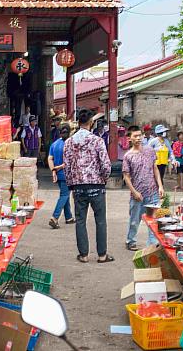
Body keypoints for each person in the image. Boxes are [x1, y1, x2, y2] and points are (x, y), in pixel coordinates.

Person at [63, 109, 113, 264]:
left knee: (80, 220)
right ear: (91, 122)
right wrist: (103, 179)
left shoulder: (69, 142)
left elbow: (67, 166)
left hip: (78, 187)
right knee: (100, 220)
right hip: (96, 185)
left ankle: (83, 255)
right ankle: (102, 255)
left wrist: (71, 183)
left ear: (78, 122)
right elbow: (106, 165)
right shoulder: (97, 141)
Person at [123, 126, 164, 250]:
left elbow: (155, 169)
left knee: (153, 220)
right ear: (129, 138)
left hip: (152, 192)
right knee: (135, 220)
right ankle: (130, 241)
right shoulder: (128, 156)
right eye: (135, 136)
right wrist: (134, 192)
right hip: (138, 195)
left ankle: (152, 244)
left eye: (139, 135)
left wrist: (160, 186)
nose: (138, 138)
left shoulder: (150, 151)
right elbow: (126, 176)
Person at [48, 125, 74, 229]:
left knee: (65, 194)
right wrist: (59, 167)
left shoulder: (54, 144)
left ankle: (69, 217)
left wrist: (53, 170)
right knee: (64, 195)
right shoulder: (70, 144)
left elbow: (50, 158)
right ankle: (55, 217)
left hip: (59, 174)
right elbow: (70, 161)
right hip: (67, 174)